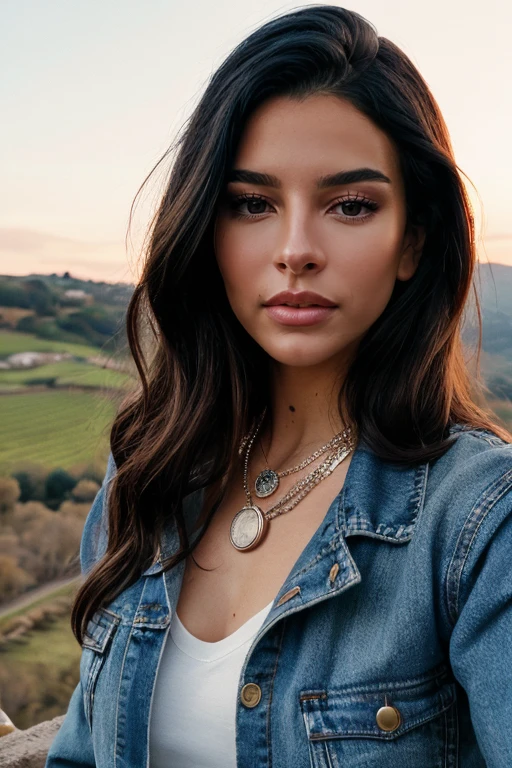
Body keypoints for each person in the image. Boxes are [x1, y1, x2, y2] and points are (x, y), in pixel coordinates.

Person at [46, 5, 512, 767]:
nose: (296, 250)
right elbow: (79, 750)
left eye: (350, 205)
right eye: (252, 204)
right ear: (207, 229)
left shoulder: (480, 523)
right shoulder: (147, 471)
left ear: (413, 242)